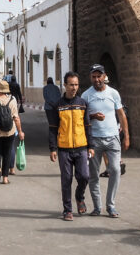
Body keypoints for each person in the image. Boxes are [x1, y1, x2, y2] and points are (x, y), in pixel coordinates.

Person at [81, 63, 129, 218]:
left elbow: (121, 115)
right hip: (94, 139)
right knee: (93, 174)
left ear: (104, 76)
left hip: (113, 138)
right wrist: (93, 116)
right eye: (93, 77)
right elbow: (80, 118)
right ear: (91, 77)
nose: (96, 80)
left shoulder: (113, 93)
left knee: (115, 170)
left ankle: (111, 205)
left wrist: (126, 136)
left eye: (99, 76)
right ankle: (97, 206)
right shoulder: (86, 96)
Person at [47, 71, 94, 221]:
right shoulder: (58, 106)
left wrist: (91, 146)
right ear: (65, 85)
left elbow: (88, 126)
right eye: (71, 85)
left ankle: (79, 197)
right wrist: (53, 148)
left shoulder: (83, 104)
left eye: (76, 85)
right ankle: (67, 209)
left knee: (84, 176)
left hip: (81, 147)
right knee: (66, 179)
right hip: (64, 149)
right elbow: (53, 128)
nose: (74, 88)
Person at [0, 80, 24, 184]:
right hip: (10, 131)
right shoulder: (12, 100)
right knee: (7, 152)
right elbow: (16, 118)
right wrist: (20, 131)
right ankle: (5, 178)